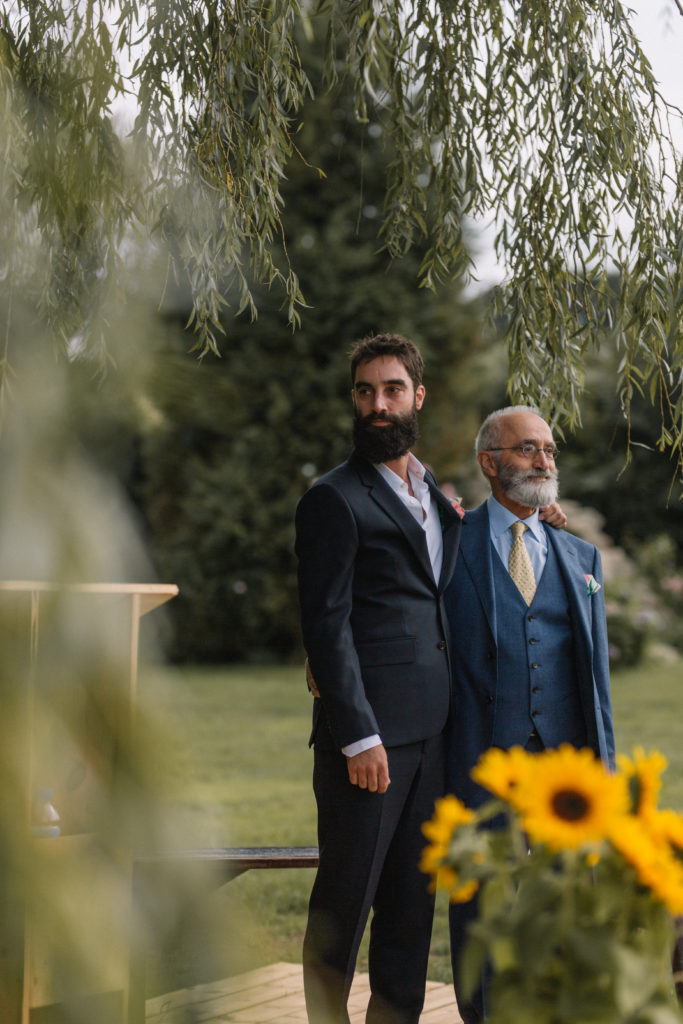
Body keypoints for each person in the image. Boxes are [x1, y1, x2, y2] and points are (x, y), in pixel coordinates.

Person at [294, 332, 464, 1024]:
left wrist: (540, 514)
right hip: (368, 745)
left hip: (433, 738)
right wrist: (357, 735)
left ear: (417, 396)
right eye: (365, 391)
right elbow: (325, 624)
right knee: (342, 911)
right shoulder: (333, 499)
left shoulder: (435, 497)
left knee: (409, 915)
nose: (377, 405)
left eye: (392, 389)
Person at [444, 405, 616, 1024]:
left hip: (563, 769)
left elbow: (595, 680)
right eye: (526, 449)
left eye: (548, 450)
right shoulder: (448, 544)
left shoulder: (581, 557)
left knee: (564, 906)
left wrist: (606, 769)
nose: (543, 460)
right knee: (483, 910)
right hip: (479, 760)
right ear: (489, 463)